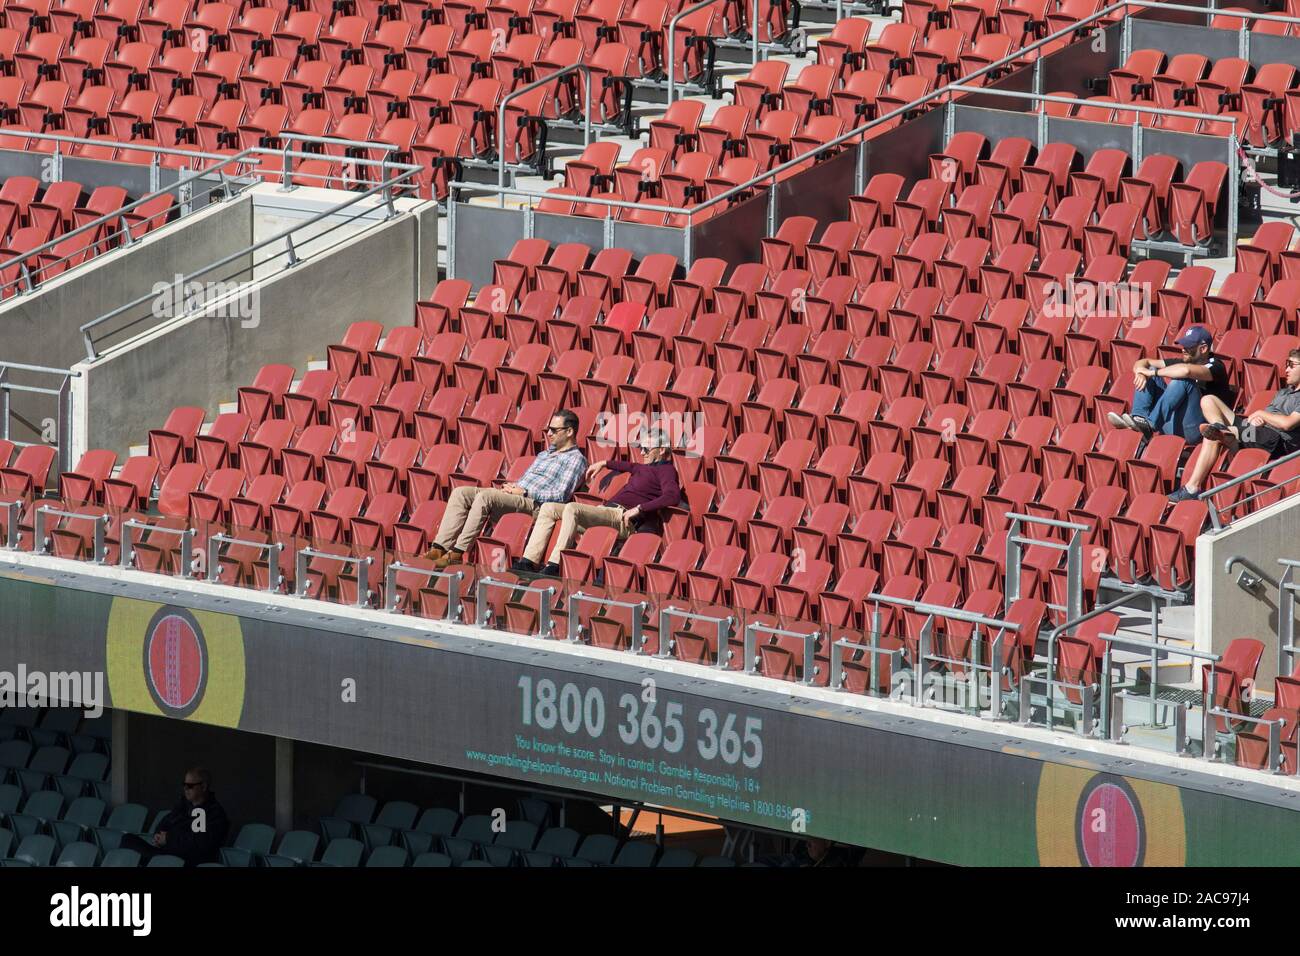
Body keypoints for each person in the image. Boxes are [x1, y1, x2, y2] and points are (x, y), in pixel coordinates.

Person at [423, 410, 587, 568]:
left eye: (554, 430)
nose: (549, 433)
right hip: (518, 496)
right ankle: (439, 548)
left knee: (486, 497)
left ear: (569, 432)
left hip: (536, 504)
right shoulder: (544, 455)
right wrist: (514, 487)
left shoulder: (576, 460)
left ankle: (458, 552)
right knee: (461, 492)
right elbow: (526, 480)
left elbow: (560, 495)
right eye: (548, 429)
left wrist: (525, 492)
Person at [512, 427, 682, 576]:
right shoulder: (643, 467)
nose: (642, 452)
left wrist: (639, 508)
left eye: (646, 448)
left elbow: (672, 496)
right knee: (549, 508)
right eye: (640, 447)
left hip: (621, 518)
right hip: (606, 513)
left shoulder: (666, 470)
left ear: (661, 450)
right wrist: (603, 463)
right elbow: (625, 465)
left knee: (572, 508)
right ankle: (528, 561)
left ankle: (554, 565)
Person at [1168, 349, 1300, 502]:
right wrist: (1258, 418)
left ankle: (1192, 488)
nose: (1286, 369)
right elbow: (1265, 416)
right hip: (1257, 431)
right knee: (1209, 400)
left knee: (1211, 438)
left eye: (1292, 365)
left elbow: (1287, 424)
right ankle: (1226, 433)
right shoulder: (1283, 393)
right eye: (1286, 364)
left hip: (1275, 440)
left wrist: (1261, 415)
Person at [1106, 325, 1235, 444]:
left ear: (1203, 348)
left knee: (1183, 379)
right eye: (1184, 345)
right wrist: (1140, 372)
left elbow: (1186, 371)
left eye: (1189, 347)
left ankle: (1150, 424)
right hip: (1173, 424)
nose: (1183, 349)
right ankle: (1139, 419)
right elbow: (1144, 362)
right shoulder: (1184, 361)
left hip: (1198, 430)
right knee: (1149, 372)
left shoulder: (1217, 366)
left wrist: (1153, 373)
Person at [124, 767, 230, 866]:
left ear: (203, 787)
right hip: (168, 851)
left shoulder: (214, 813)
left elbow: (198, 843)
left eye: (190, 786)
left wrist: (168, 839)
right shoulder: (184, 805)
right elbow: (166, 821)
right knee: (127, 839)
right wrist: (158, 836)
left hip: (187, 859)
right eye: (184, 784)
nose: (185, 789)